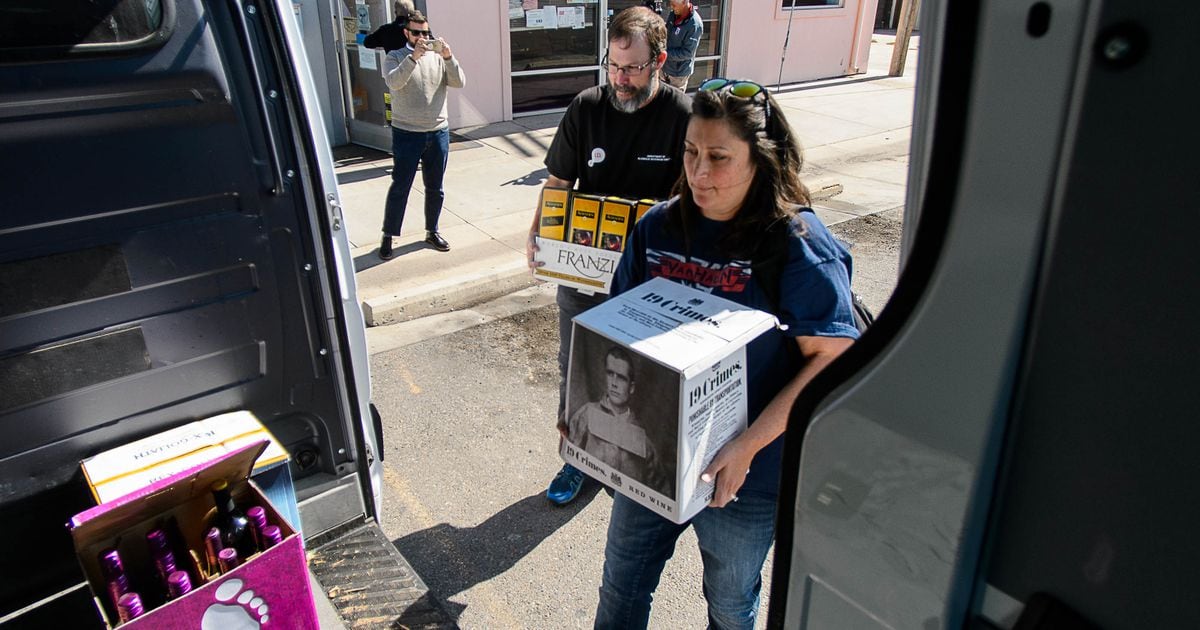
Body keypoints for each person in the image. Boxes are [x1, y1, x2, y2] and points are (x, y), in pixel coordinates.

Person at [594, 79, 860, 629]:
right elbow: (612, 331)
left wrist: (745, 447)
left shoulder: (798, 243)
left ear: (760, 160)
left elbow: (831, 358)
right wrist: (583, 404)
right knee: (621, 587)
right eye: (690, 153)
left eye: (719, 157)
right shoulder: (657, 227)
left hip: (748, 475)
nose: (698, 173)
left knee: (731, 604)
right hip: (653, 460)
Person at [525, 6, 691, 506]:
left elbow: (695, 198)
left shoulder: (684, 116)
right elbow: (558, 183)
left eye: (633, 68)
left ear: (660, 60)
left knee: (642, 375)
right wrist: (538, 232)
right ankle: (575, 460)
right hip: (583, 271)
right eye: (613, 66)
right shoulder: (585, 108)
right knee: (578, 367)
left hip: (650, 278)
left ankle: (640, 470)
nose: (620, 79)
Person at [379, 10, 465, 260]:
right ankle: (388, 235)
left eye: (425, 32)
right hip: (407, 133)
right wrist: (413, 59)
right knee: (400, 187)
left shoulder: (438, 58)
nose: (422, 37)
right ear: (407, 32)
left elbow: (459, 82)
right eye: (416, 32)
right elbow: (394, 83)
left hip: (437, 132)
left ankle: (432, 231)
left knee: (435, 188)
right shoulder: (395, 57)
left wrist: (448, 57)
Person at [566, 346, 672, 497]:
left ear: (632, 387)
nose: (614, 383)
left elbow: (661, 487)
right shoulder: (587, 414)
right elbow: (572, 445)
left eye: (621, 377)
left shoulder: (641, 437)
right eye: (610, 374)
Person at [662, 0, 703, 90]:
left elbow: (688, 53)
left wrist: (665, 53)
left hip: (678, 75)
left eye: (674, 5)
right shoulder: (673, 14)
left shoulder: (695, 25)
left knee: (674, 103)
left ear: (684, 2)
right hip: (665, 68)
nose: (671, 7)